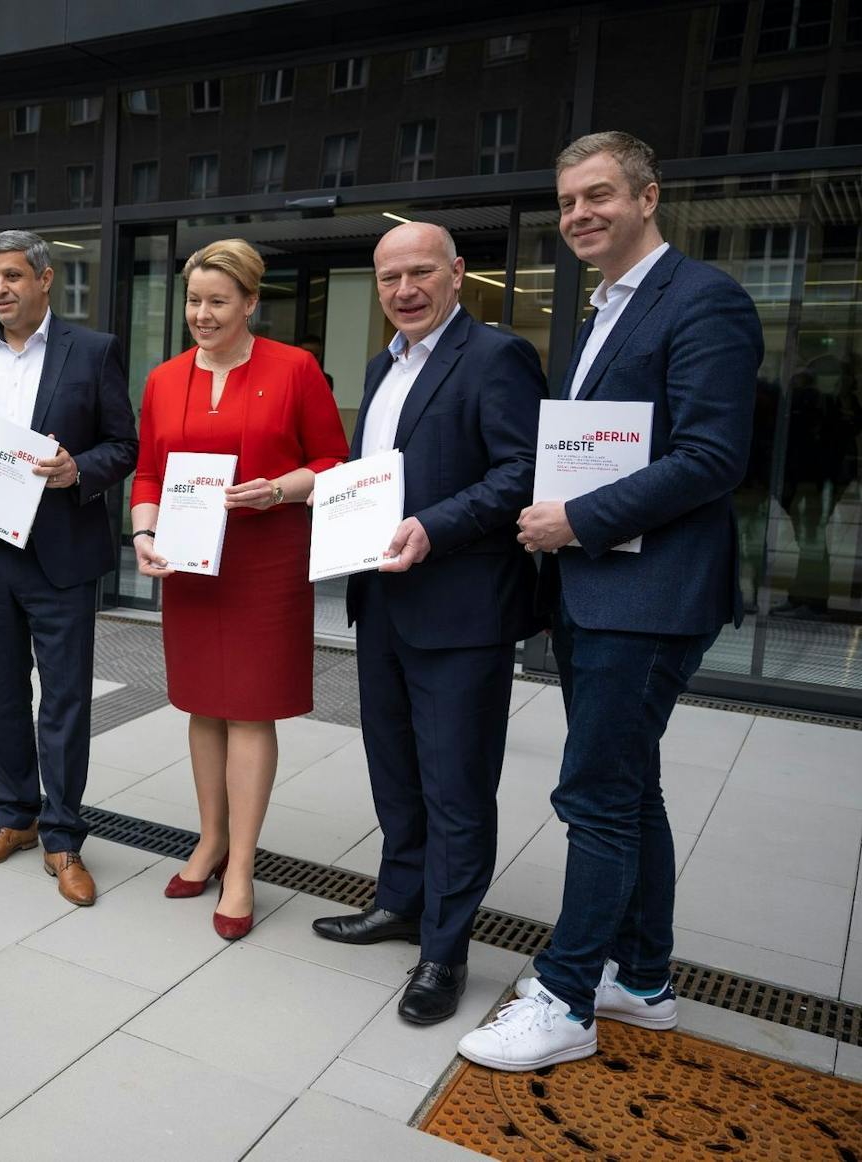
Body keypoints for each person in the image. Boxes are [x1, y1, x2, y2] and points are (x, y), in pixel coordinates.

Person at [459, 131, 763, 1070]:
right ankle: (641, 978)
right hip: (603, 592)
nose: (580, 215)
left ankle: (567, 995)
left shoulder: (702, 299)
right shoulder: (600, 313)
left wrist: (575, 522)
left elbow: (713, 458)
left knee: (593, 791)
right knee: (632, 788)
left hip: (650, 595)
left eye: (598, 196)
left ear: (647, 197)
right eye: (568, 202)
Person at [309, 223, 545, 1023]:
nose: (403, 290)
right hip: (383, 602)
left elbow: (522, 471)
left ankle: (444, 952)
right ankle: (401, 902)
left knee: (456, 788)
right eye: (388, 279)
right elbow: (376, 472)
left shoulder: (495, 357)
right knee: (396, 772)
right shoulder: (384, 366)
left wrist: (434, 526)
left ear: (457, 275)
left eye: (419, 273)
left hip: (462, 609)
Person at [130, 239, 348, 938]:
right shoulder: (164, 379)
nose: (201, 314)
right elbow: (148, 474)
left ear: (251, 303)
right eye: (194, 301)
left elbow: (334, 460)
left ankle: (243, 865)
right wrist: (142, 534)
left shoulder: (295, 369)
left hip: (265, 560)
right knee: (203, 703)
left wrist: (278, 489)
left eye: (217, 301)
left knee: (250, 709)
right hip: (191, 565)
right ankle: (209, 837)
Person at [0, 229, 137, 906]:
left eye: (12, 276)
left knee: (66, 701)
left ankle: (64, 835)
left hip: (60, 556)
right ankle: (14, 817)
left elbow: (123, 444)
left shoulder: (92, 352)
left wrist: (79, 469)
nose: (0, 290)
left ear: (45, 280)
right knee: (2, 694)